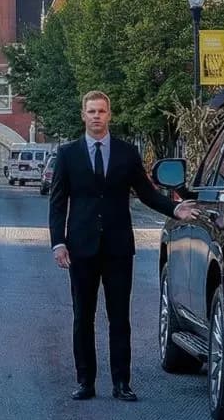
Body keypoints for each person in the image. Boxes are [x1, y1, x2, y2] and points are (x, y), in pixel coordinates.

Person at [49, 90, 197, 402]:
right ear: (83, 115)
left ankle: (121, 383)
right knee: (82, 317)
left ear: (109, 115)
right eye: (91, 111)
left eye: (101, 111)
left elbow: (146, 193)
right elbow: (58, 203)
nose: (96, 117)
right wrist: (58, 243)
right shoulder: (68, 154)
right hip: (81, 248)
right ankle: (85, 382)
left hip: (117, 248)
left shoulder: (126, 153)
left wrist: (175, 209)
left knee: (119, 318)